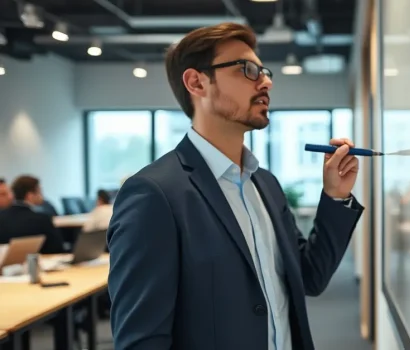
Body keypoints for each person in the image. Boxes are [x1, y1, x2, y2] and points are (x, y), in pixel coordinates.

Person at [107, 23, 364, 350]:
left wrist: (335, 195)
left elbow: (309, 276)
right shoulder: (153, 195)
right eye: (248, 70)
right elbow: (141, 342)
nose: (267, 81)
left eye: (264, 71)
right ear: (197, 82)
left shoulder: (265, 184)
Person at [0, 175, 66, 254]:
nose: (42, 196)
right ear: (30, 196)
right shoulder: (42, 219)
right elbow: (57, 250)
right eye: (40, 192)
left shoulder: (3, 217)